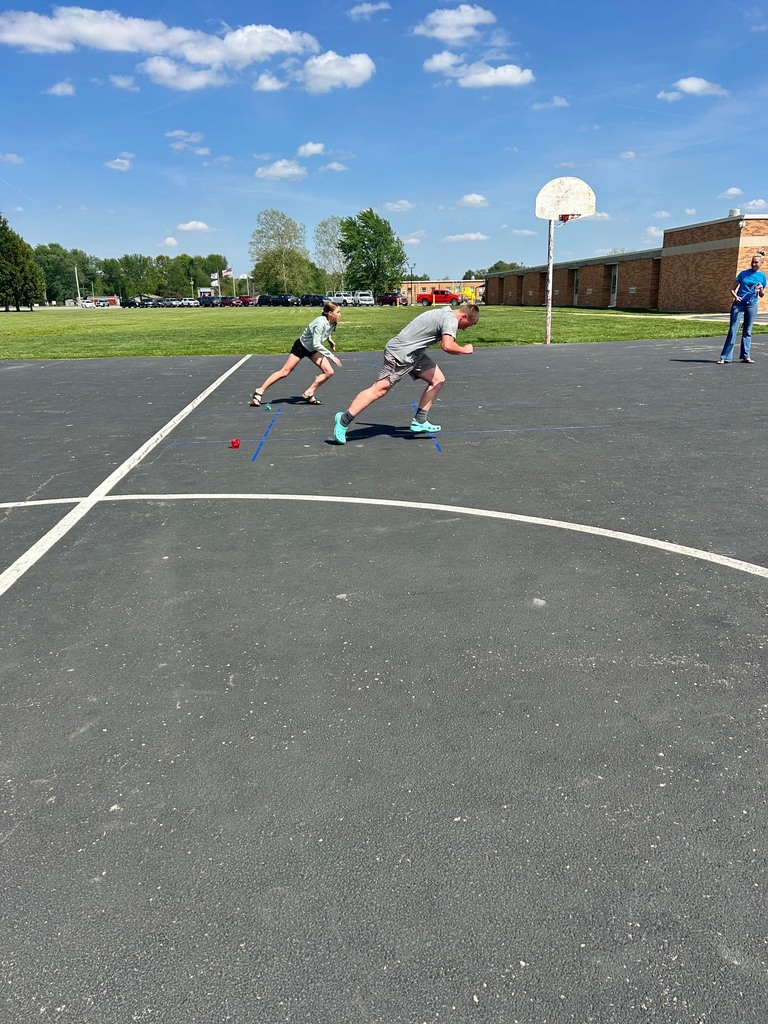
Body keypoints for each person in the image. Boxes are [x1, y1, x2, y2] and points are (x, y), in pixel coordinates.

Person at [332, 303, 479, 444]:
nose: (466, 329)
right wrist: (465, 349)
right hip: (400, 354)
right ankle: (343, 421)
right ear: (464, 317)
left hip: (414, 354)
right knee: (379, 390)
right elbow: (447, 346)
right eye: (469, 325)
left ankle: (420, 421)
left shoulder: (444, 312)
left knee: (438, 379)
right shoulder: (451, 319)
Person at [249, 301, 342, 406]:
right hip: (301, 347)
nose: (340, 314)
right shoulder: (320, 323)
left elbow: (325, 333)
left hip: (312, 349)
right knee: (284, 372)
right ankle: (259, 391)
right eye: (338, 312)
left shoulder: (332, 322)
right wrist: (331, 356)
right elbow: (316, 344)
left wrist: (329, 339)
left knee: (329, 371)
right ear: (329, 313)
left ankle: (309, 392)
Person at [717, 252, 766, 364]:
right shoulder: (743, 274)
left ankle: (745, 356)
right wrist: (736, 297)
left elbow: (762, 294)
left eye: (756, 262)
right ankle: (725, 357)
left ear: (761, 263)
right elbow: (732, 289)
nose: (753, 264)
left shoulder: (763, 276)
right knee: (733, 330)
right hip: (739, 304)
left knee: (747, 330)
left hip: (752, 304)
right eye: (752, 262)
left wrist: (761, 289)